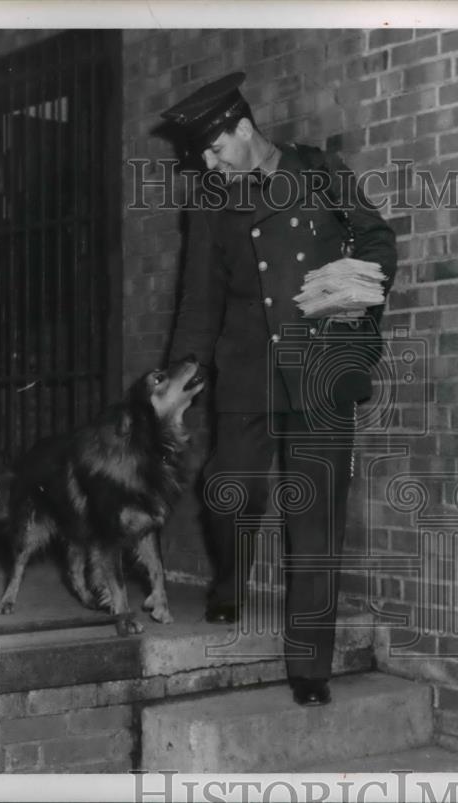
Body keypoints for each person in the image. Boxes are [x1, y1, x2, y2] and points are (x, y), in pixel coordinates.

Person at [161, 72, 398, 706]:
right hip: (246, 372)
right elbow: (199, 301)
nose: (210, 166)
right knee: (224, 490)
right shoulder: (212, 204)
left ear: (244, 129)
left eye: (215, 150)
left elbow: (377, 238)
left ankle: (309, 666)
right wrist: (181, 375)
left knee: (315, 519)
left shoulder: (321, 171)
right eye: (202, 157)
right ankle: (230, 581)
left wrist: (354, 297)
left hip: (321, 368)